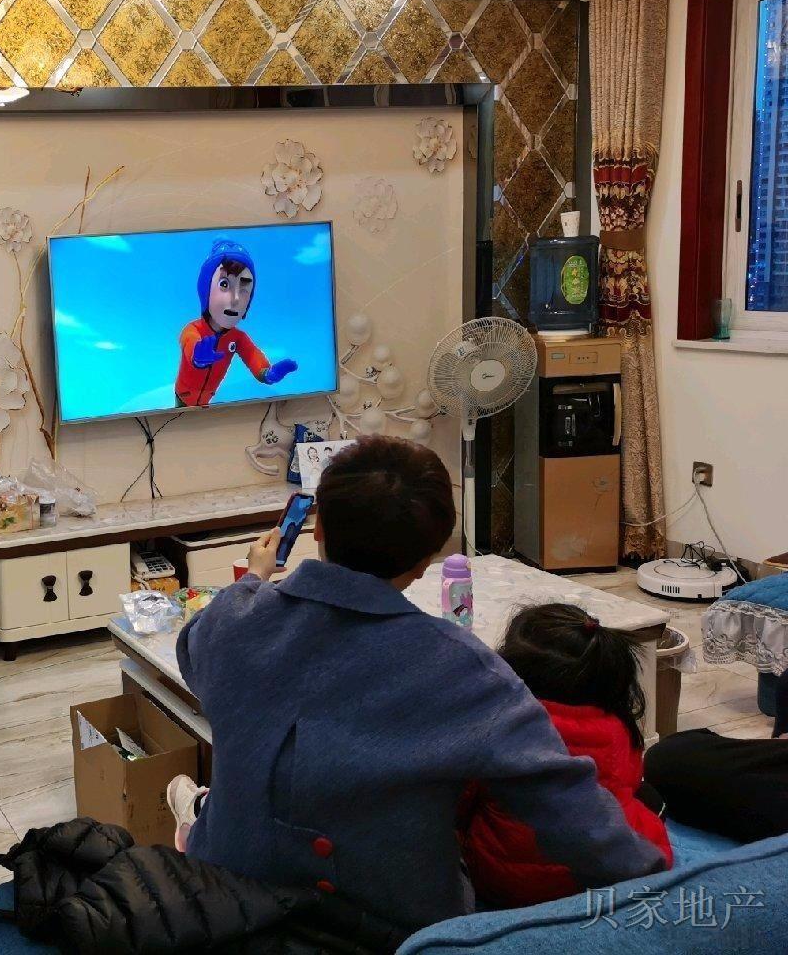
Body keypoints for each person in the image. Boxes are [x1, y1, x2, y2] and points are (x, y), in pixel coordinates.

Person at [174, 436, 666, 932]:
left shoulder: (234, 620)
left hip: (226, 901)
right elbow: (569, 810)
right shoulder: (465, 669)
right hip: (390, 925)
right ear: (427, 559)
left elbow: (194, 655)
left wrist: (252, 580)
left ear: (318, 527)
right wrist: (662, 889)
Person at [459, 603, 673, 908]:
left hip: (501, 883)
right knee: (647, 799)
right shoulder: (617, 728)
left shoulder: (498, 723)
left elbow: (463, 799)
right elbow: (627, 783)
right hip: (596, 878)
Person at [174, 240, 297, 407]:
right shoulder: (194, 329)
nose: (235, 299)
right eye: (224, 284)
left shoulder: (237, 338)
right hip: (184, 396)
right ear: (206, 291)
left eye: (244, 289)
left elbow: (252, 354)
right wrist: (197, 356)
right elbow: (189, 340)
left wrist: (266, 373)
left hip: (206, 401)